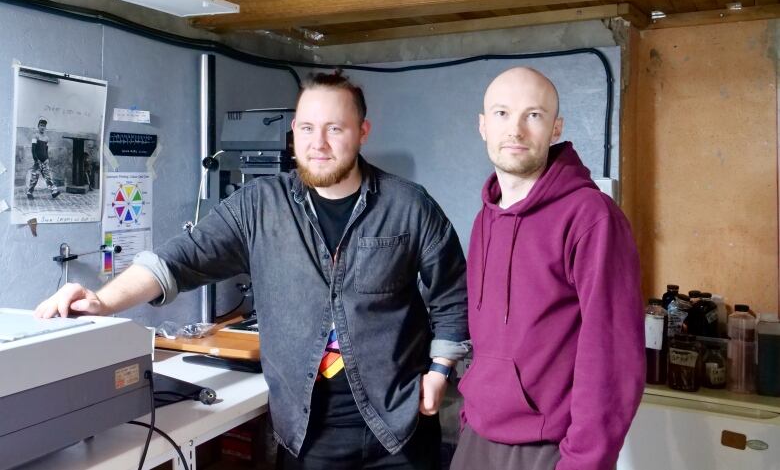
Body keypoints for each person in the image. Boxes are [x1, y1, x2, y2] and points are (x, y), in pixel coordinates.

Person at [36, 70, 468, 470]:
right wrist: (103, 300)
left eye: (334, 128)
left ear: (361, 132)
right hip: (308, 431)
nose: (318, 143)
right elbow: (179, 258)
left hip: (398, 427)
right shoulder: (260, 205)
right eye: (306, 128)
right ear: (293, 132)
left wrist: (439, 371)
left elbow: (452, 294)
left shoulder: (408, 205)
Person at [450, 67, 643, 470]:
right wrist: (470, 417)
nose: (516, 130)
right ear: (483, 126)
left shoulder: (591, 217)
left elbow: (612, 359)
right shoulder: (485, 216)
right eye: (502, 114)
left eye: (533, 115)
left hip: (547, 449)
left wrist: (583, 462)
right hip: (477, 440)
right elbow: (486, 339)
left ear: (556, 128)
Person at [27, 116, 60, 200]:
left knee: (48, 177)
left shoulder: (46, 138)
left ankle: (54, 192)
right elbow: (33, 149)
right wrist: (36, 160)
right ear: (38, 126)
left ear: (45, 127)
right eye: (41, 125)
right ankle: (29, 192)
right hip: (37, 161)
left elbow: (46, 149)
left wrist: (47, 159)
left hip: (44, 161)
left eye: (44, 126)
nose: (42, 127)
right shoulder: (35, 136)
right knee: (34, 178)